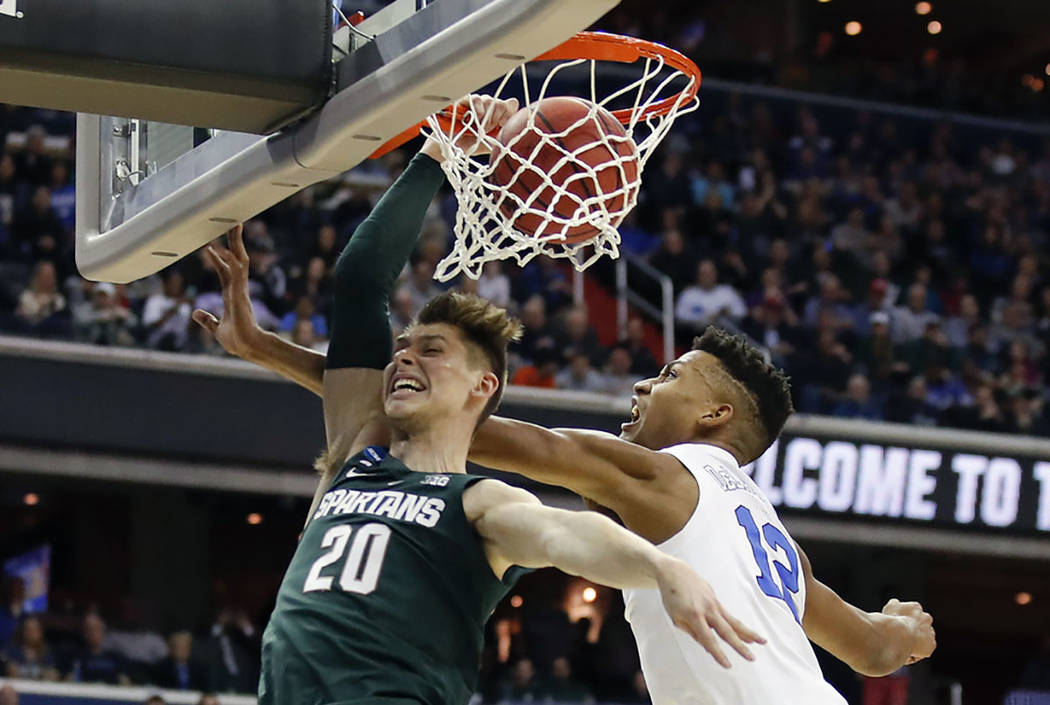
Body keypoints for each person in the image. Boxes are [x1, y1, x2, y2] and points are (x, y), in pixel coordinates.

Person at [200, 107, 935, 705]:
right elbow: (871, 649)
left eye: (672, 375)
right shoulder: (770, 538)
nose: (646, 385)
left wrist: (278, 355)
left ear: (715, 415)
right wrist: (905, 629)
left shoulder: (663, 476)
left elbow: (516, 449)